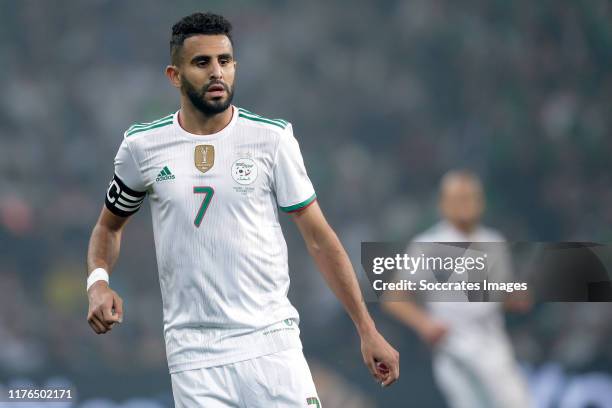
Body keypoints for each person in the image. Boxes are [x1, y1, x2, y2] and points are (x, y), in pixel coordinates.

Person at [85, 12, 398, 407]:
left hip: (271, 344)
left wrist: (366, 329)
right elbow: (108, 228)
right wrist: (97, 282)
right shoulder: (142, 147)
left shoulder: (271, 139)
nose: (217, 72)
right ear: (174, 75)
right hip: (194, 356)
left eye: (225, 61)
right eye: (202, 62)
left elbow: (319, 240)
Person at [384, 170, 531, 408]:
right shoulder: (429, 245)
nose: (465, 204)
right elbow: (394, 296)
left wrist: (515, 299)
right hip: (455, 347)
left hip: (493, 345)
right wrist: (424, 324)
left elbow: (498, 295)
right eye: (458, 198)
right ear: (443, 203)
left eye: (471, 197)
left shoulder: (494, 241)